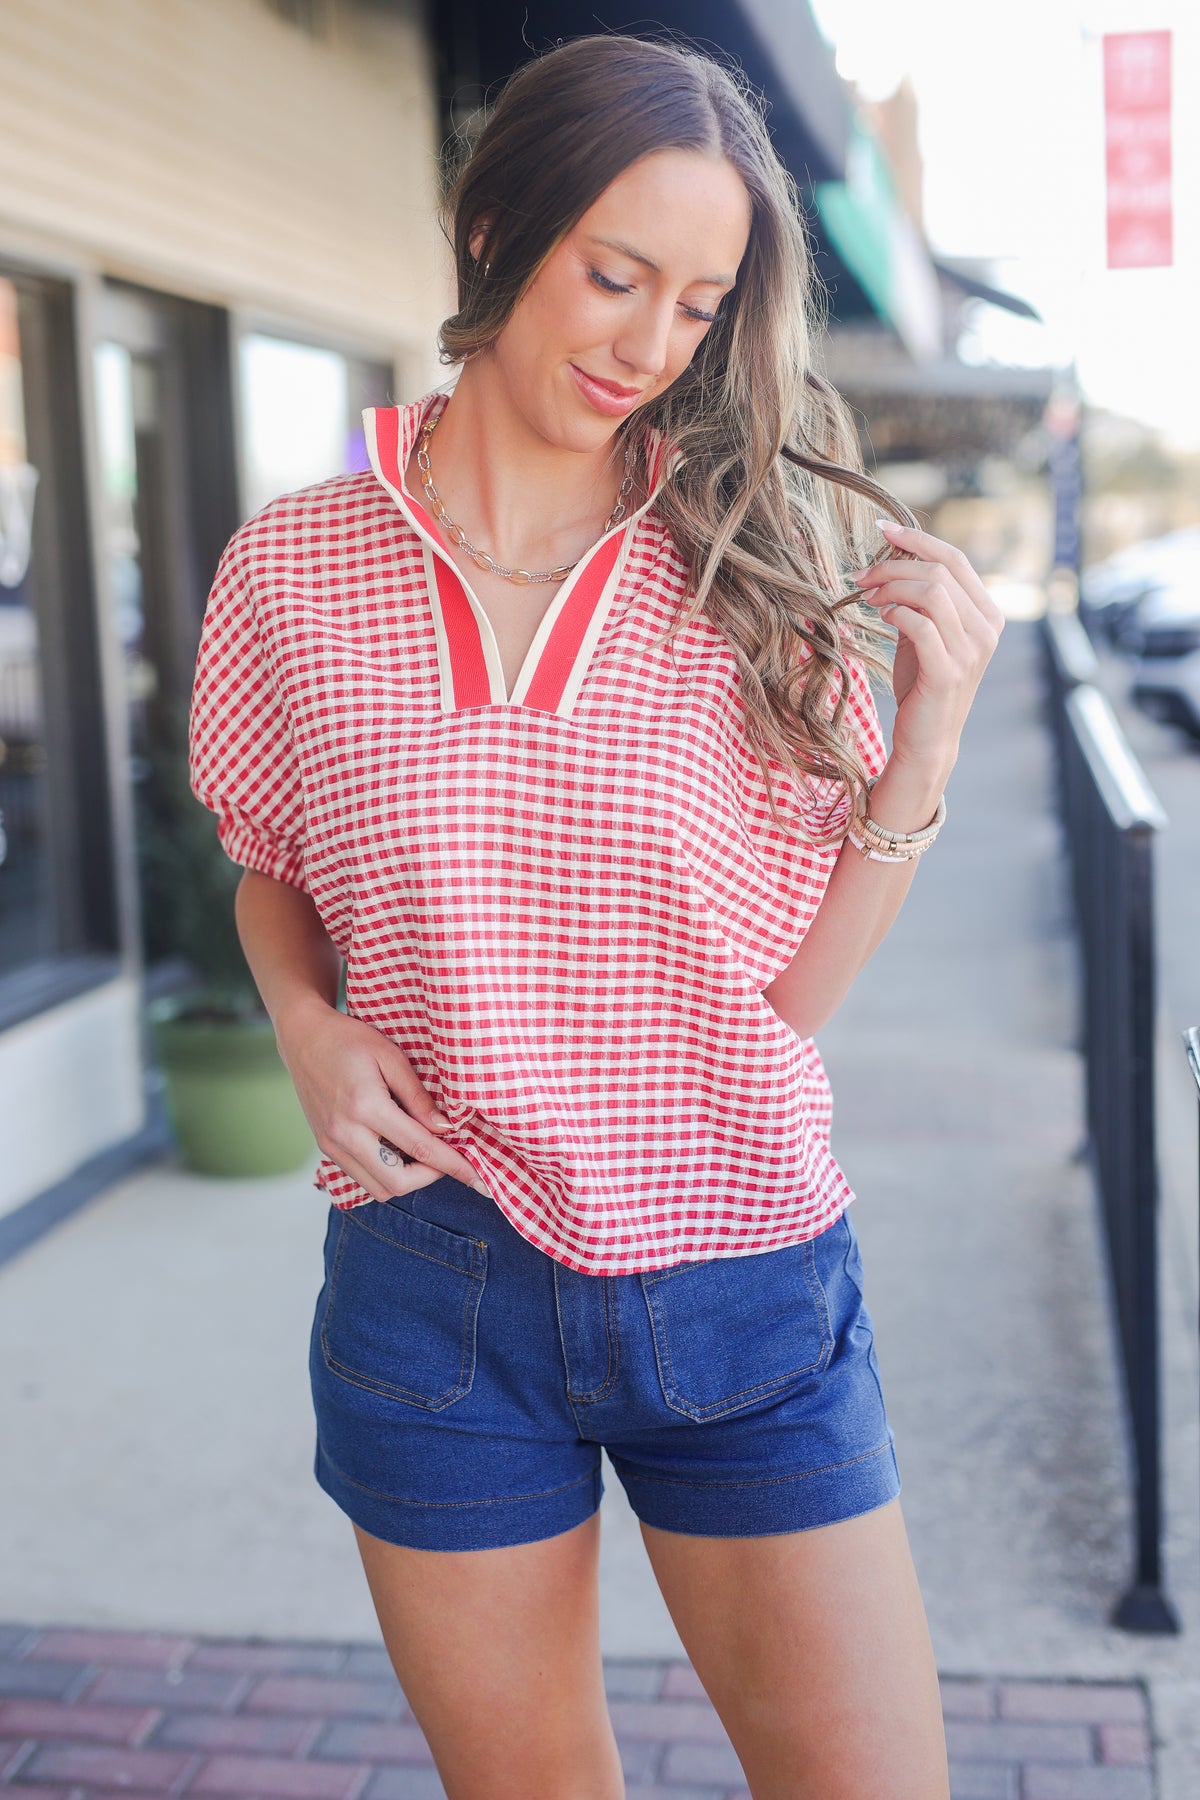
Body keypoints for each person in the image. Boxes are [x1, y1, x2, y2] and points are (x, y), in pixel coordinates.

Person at [188, 32, 1003, 1800]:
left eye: (698, 304)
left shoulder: (747, 566)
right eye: (612, 273)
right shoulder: (295, 568)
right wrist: (310, 1030)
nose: (647, 345)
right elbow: (274, 862)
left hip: (738, 1269)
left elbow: (783, 1009)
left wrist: (919, 754)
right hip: (438, 1280)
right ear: (493, 234)